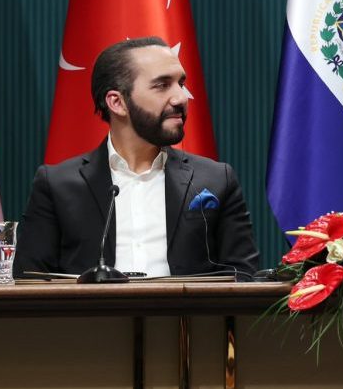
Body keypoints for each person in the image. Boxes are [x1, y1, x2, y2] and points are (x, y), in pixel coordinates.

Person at [14, 37, 259, 278]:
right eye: (162, 85)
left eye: (181, 83)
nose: (181, 98)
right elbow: (31, 281)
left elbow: (243, 278)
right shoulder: (57, 185)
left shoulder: (217, 180)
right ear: (117, 102)